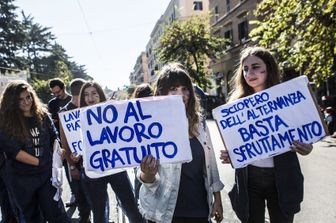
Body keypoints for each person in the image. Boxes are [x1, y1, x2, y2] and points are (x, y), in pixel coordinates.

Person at [220, 46, 314, 223]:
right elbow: (237, 142)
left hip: (282, 178)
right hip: (250, 180)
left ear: (269, 68)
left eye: (255, 66)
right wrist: (231, 155)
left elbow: (303, 132)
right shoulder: (236, 105)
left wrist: (307, 147)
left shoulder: (286, 98)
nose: (249, 73)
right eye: (245, 69)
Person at [138, 62, 224, 223]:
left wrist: (217, 198)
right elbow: (143, 176)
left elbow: (210, 165)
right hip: (164, 212)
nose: (181, 94)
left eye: (185, 89)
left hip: (199, 211)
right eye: (174, 89)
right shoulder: (151, 125)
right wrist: (147, 173)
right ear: (162, 93)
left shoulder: (200, 122)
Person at [0, 80, 70, 222]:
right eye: (20, 99)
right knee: (31, 217)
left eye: (28, 97)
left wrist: (58, 150)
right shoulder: (5, 122)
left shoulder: (42, 115)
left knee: (56, 214)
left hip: (46, 176)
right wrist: (44, 162)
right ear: (12, 102)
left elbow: (53, 136)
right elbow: (15, 152)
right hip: (21, 179)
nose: (26, 102)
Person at [78, 81, 145, 223]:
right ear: (82, 98)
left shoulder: (112, 112)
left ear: (100, 95)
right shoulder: (78, 117)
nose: (90, 98)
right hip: (94, 172)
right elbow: (76, 144)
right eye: (86, 95)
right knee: (99, 214)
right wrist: (75, 155)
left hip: (116, 168)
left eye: (94, 94)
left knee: (131, 208)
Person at [59, 78, 91, 223]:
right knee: (80, 194)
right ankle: (85, 217)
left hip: (92, 160)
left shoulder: (89, 107)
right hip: (75, 163)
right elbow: (64, 142)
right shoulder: (65, 112)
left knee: (96, 195)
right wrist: (72, 166)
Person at [47, 78, 75, 207]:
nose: (56, 95)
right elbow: (51, 122)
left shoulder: (73, 100)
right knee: (66, 168)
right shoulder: (52, 103)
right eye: (54, 93)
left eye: (58, 92)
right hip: (61, 140)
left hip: (75, 140)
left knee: (77, 168)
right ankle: (74, 193)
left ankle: (83, 194)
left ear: (64, 88)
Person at [131, 83, 154, 202]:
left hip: (141, 158)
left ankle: (139, 204)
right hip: (142, 158)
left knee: (140, 182)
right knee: (141, 182)